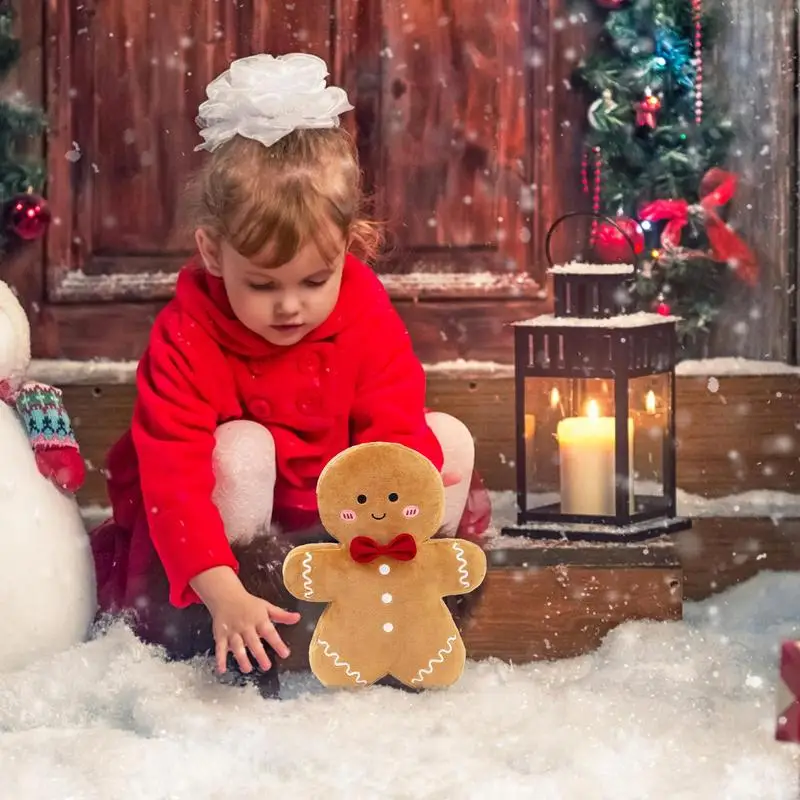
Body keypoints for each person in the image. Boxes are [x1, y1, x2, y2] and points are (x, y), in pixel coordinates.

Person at [91, 53, 491, 696]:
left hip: (344, 518)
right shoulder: (187, 333)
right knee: (241, 447)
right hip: (239, 535)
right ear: (213, 253)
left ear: (347, 246)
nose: (290, 306)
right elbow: (174, 477)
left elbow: (393, 421)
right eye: (263, 283)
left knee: (445, 438)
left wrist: (398, 526)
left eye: (314, 279)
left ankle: (407, 621)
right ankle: (239, 643)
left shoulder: (362, 309)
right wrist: (218, 585)